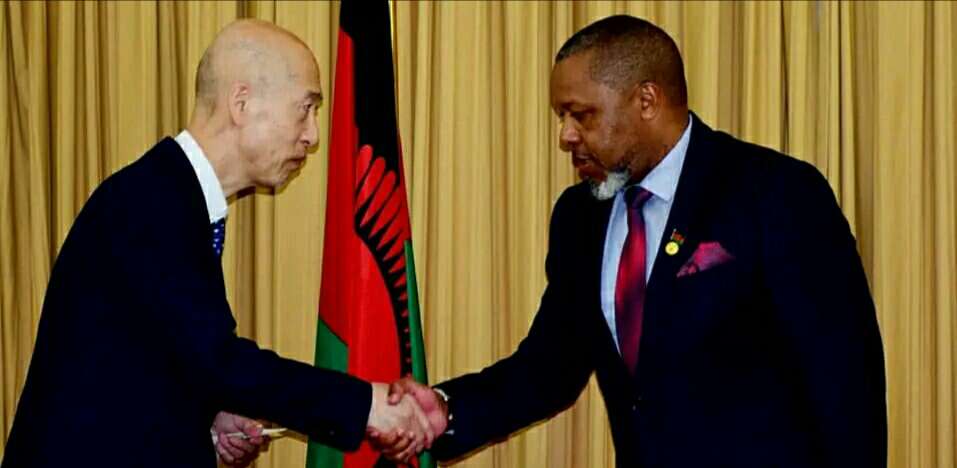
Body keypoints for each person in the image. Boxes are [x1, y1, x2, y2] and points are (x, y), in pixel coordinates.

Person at [379, 14, 887, 468]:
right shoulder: (581, 216)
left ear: (647, 100)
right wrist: (445, 411)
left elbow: (844, 383)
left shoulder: (774, 193)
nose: (566, 136)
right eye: (562, 117)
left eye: (582, 115)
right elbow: (549, 368)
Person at [2, 19, 433, 468]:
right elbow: (218, 361)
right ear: (241, 103)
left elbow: (151, 362)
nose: (313, 136)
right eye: (305, 109)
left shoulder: (169, 197)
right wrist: (367, 405)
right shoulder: (150, 204)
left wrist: (206, 417)